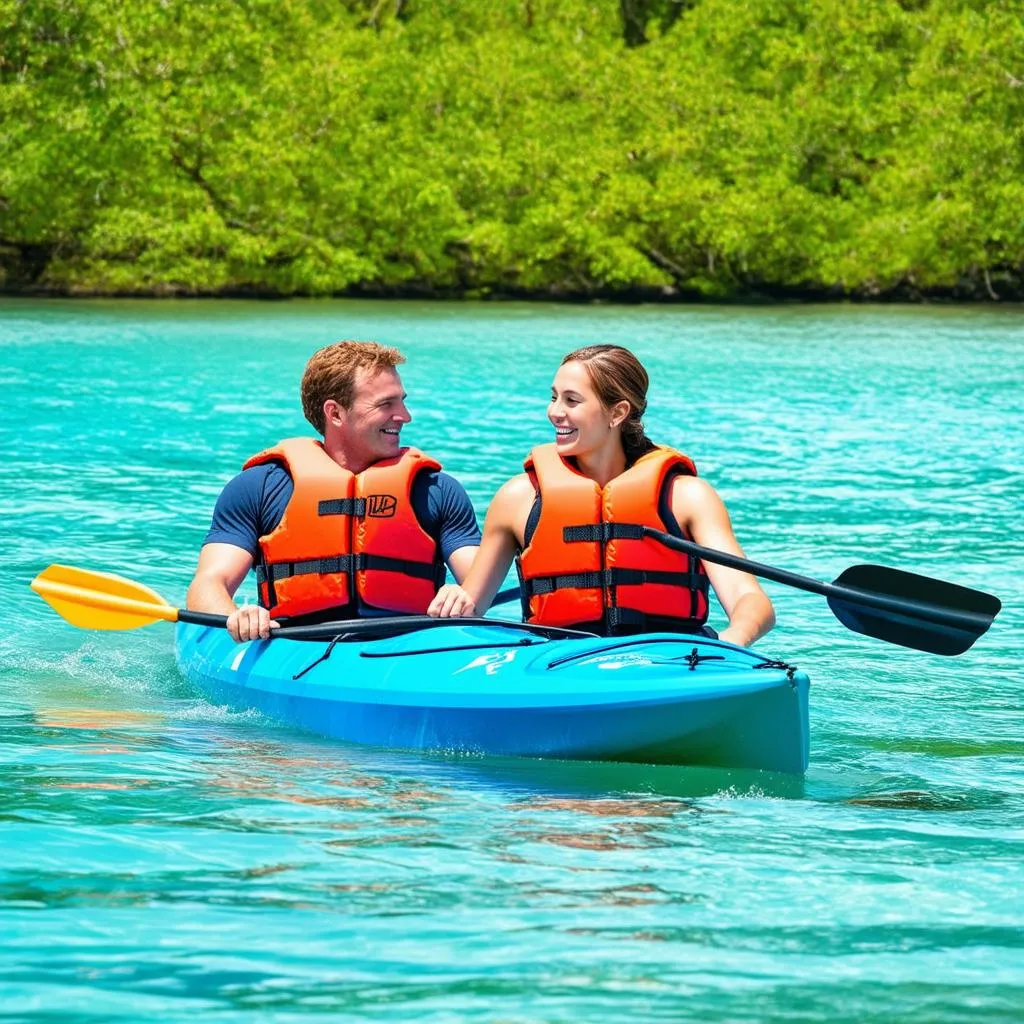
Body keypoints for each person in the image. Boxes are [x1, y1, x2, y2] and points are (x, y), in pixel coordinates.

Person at [428, 344, 774, 647]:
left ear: (618, 413)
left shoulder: (686, 497)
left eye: (571, 400)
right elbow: (473, 604)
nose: (554, 412)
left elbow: (751, 601)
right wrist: (455, 595)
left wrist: (733, 640)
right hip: (561, 665)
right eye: (553, 397)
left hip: (670, 662)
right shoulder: (518, 498)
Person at [187, 340, 481, 642]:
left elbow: (479, 579)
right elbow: (208, 584)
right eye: (386, 404)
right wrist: (237, 616)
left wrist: (463, 592)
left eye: (402, 401)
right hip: (293, 645)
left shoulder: (438, 490)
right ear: (336, 413)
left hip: (410, 647)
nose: (405, 416)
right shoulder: (257, 489)